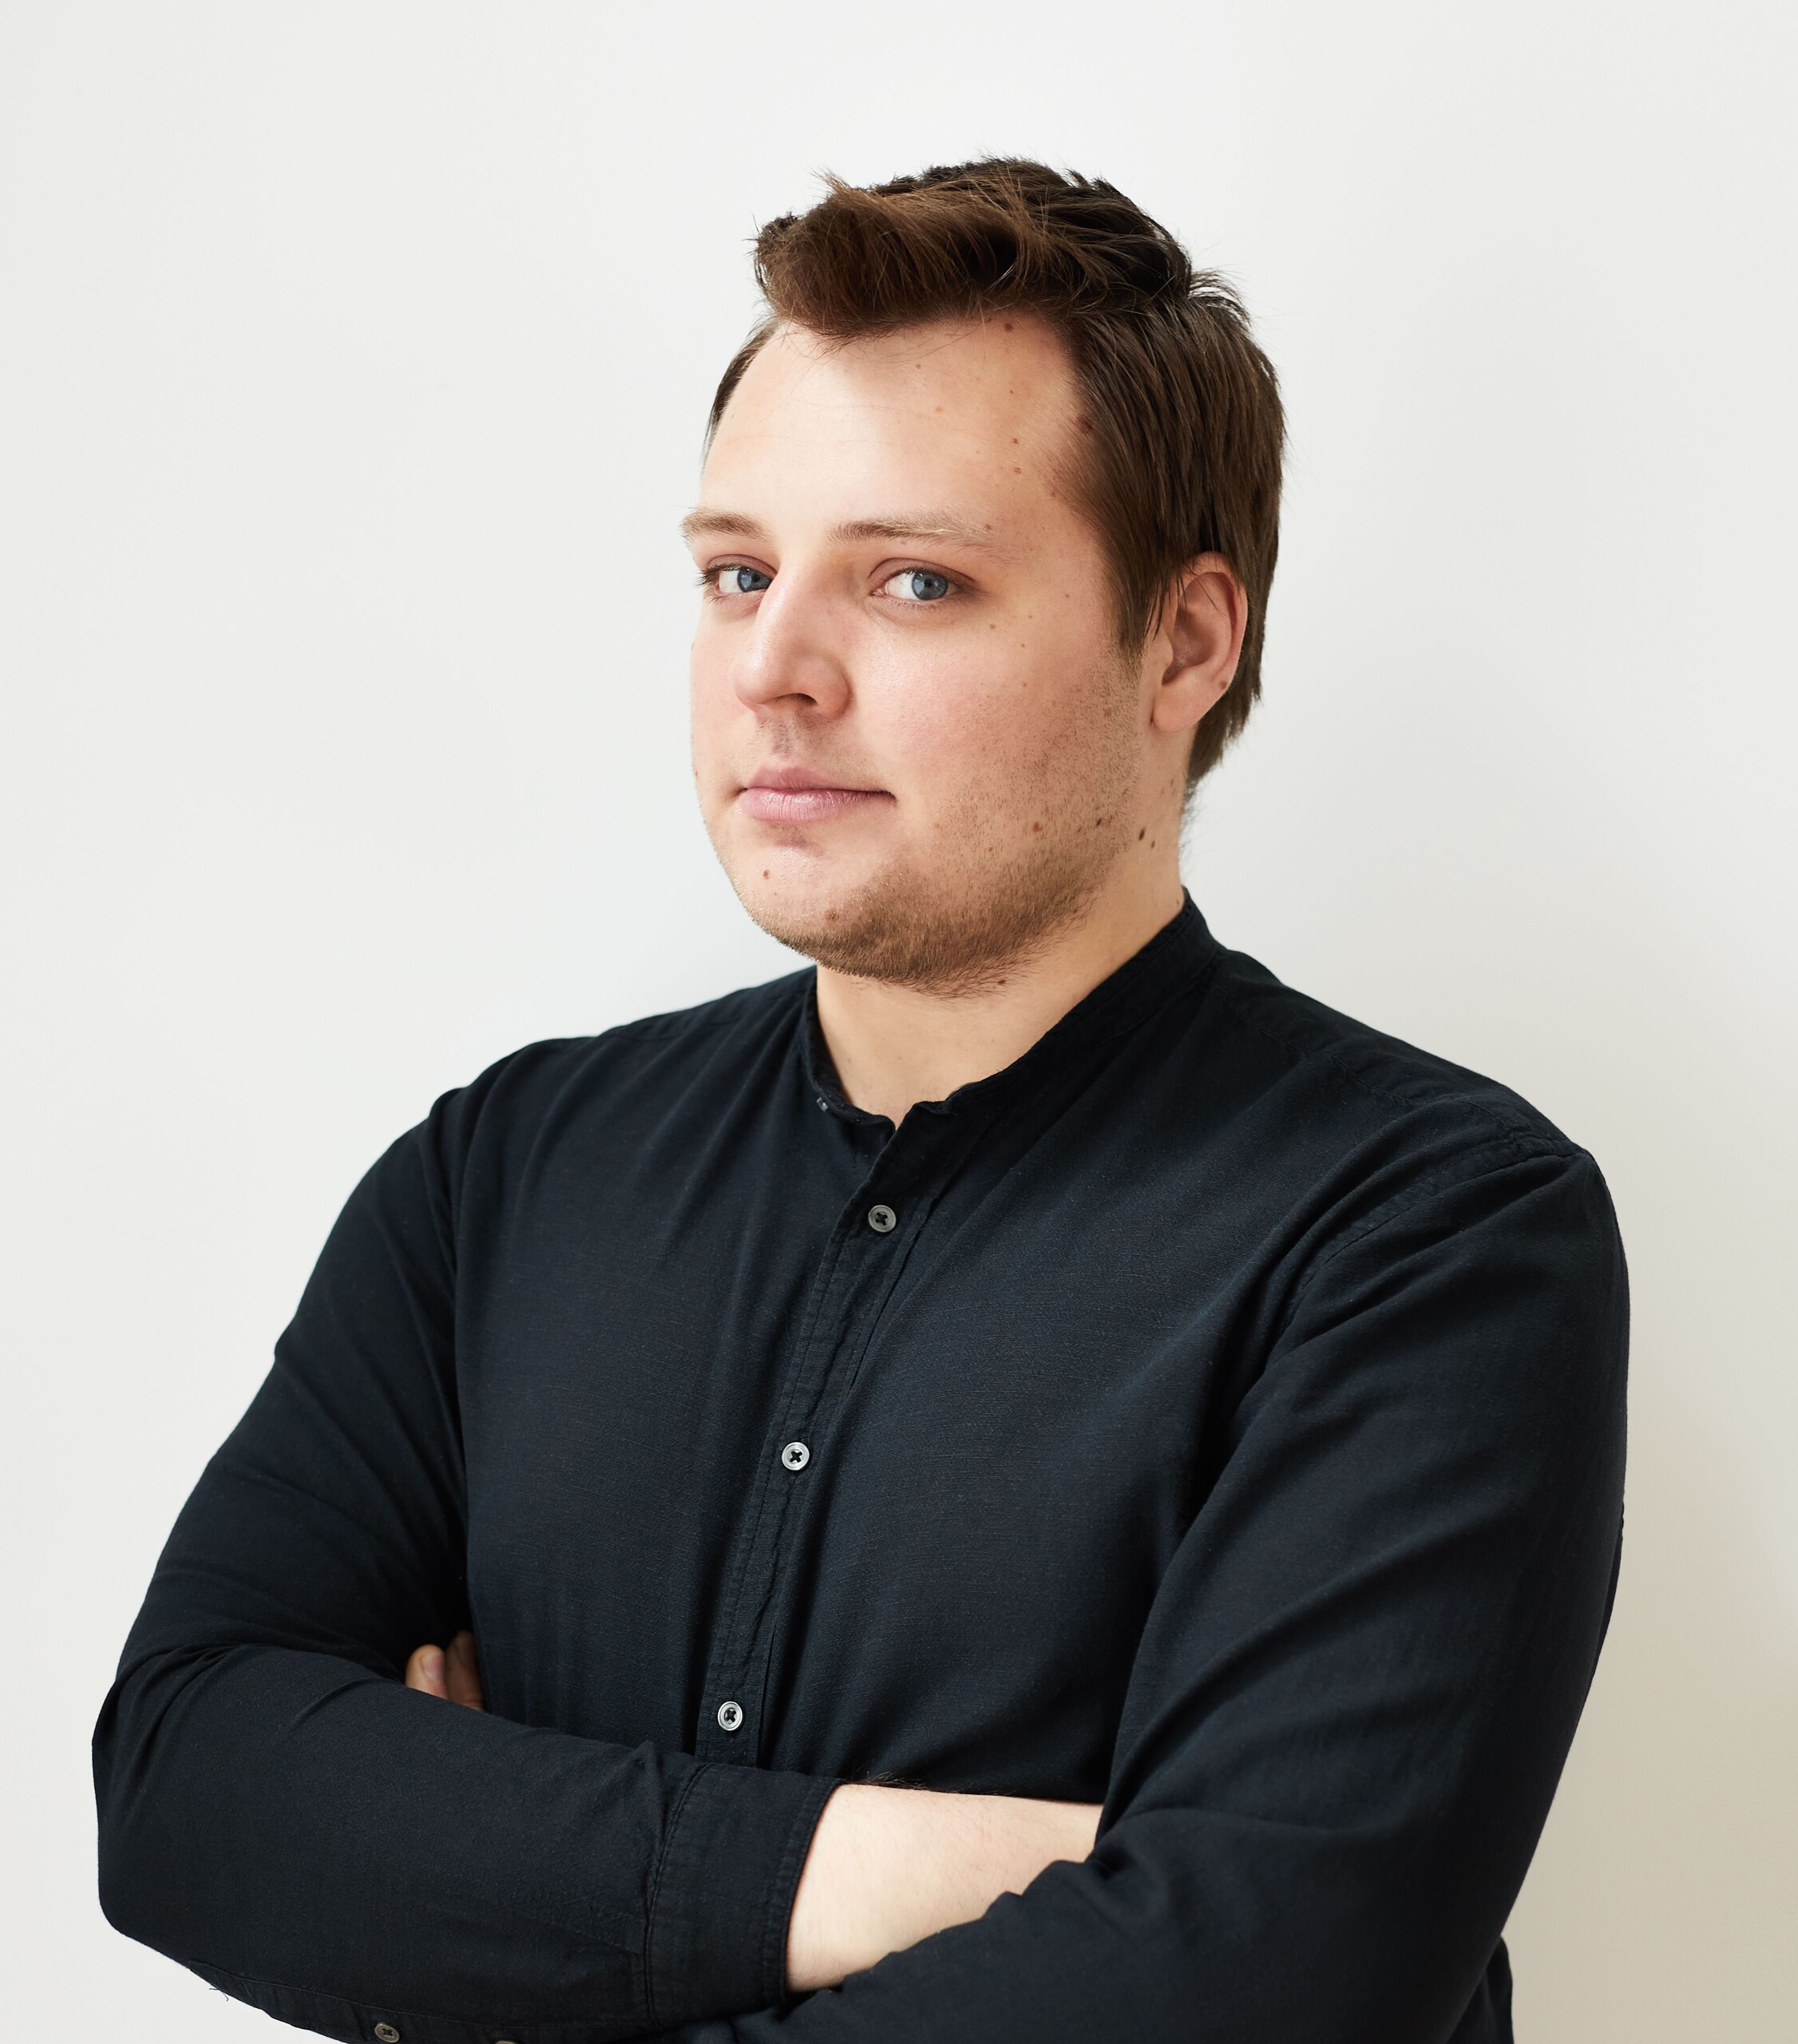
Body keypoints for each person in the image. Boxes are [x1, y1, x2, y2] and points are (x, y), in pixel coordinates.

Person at [93, 160, 1628, 2044]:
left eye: (915, 580)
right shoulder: (501, 1177)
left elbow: (1257, 1977)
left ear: (1184, 640)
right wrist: (904, 1870)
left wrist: (492, 1890)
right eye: (738, 572)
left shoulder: (1424, 1233)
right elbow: (184, 1778)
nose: (773, 671)